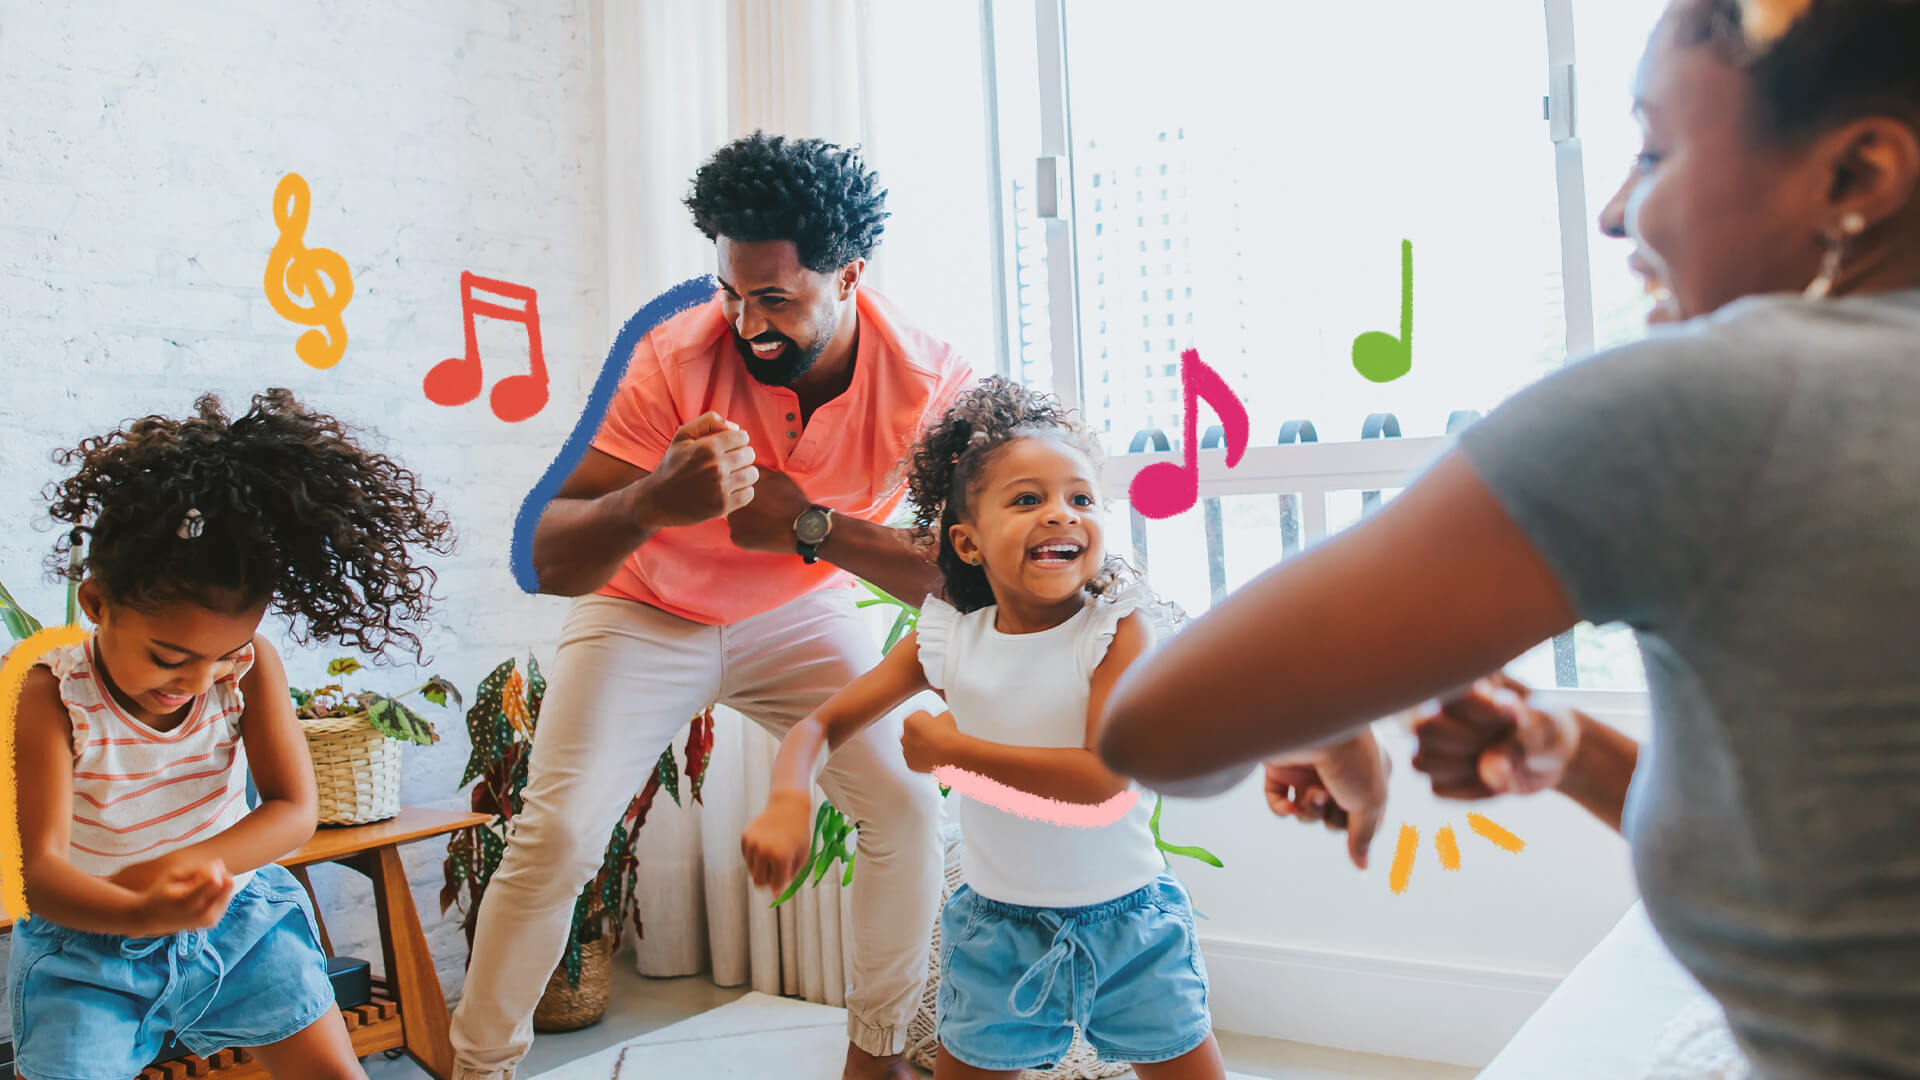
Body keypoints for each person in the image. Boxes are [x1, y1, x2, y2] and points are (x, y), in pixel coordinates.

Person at [1097, 0, 1920, 1075]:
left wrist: (1336, 705)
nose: (1618, 213)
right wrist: (1577, 753)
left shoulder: (1712, 401)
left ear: (1858, 176)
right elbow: (1851, 849)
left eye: (1658, 148)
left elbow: (1159, 730)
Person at [448, 132, 973, 1080]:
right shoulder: (674, 351)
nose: (747, 322)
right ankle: (480, 1067)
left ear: (849, 274)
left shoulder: (930, 385)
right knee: (557, 835)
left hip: (799, 610)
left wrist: (811, 527)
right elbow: (547, 553)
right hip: (644, 609)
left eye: (776, 298)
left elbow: (958, 578)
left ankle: (879, 1056)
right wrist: (650, 501)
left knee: (903, 808)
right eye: (733, 292)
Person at [742, 378, 1227, 1080]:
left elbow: (1101, 782)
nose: (1062, 515)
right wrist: (788, 798)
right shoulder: (949, 637)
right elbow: (819, 725)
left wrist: (955, 754)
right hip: (996, 932)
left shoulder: (1117, 630)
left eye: (1081, 498)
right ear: (966, 543)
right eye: (1028, 499)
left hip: (1131, 928)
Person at [11, 390, 453, 1080]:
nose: (197, 678)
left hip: (239, 926)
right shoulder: (55, 696)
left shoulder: (249, 670)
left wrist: (194, 869)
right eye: (168, 655)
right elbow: (44, 878)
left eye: (223, 651)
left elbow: (292, 811)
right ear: (97, 605)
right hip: (89, 954)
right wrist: (139, 906)